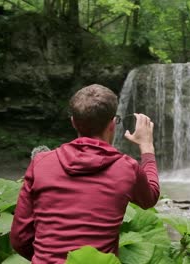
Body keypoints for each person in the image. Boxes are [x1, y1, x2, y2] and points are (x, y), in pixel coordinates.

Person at [10, 84, 160, 263]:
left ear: (73, 122)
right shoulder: (127, 168)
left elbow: (19, 238)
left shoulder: (41, 163)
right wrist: (147, 147)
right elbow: (150, 197)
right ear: (112, 124)